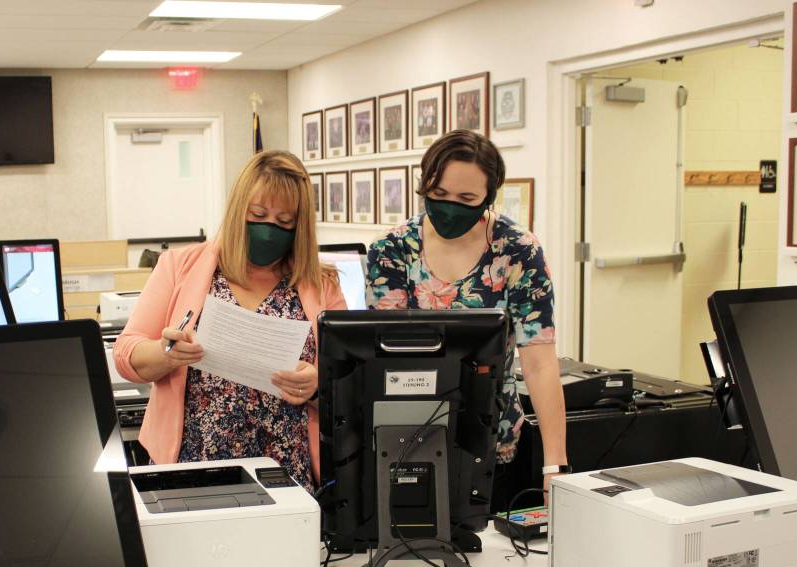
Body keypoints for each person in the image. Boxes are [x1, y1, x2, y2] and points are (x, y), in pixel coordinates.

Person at [114, 150, 347, 490]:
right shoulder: (180, 265)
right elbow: (126, 355)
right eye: (258, 214)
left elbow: (349, 378)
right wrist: (167, 352)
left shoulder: (321, 284)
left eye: (284, 222)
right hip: (192, 463)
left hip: (286, 470)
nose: (269, 229)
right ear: (239, 210)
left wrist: (317, 386)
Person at [365, 130, 567, 509]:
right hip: (406, 439)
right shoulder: (392, 250)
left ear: (488, 198)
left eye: (466, 199)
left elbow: (539, 363)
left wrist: (555, 464)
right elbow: (385, 357)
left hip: (492, 441)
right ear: (425, 185)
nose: (450, 207)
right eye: (438, 195)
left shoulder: (517, 251)